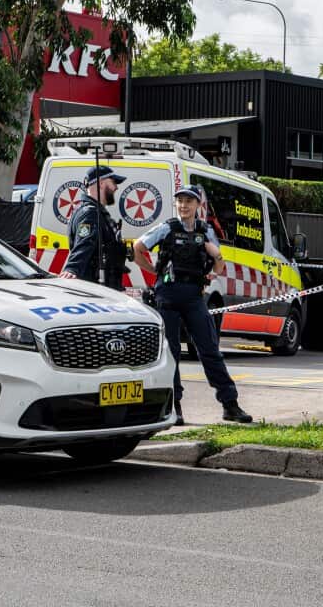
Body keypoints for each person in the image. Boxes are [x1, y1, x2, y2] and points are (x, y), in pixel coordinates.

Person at [134, 185, 253, 425]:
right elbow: (138, 248)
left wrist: (214, 260)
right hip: (167, 295)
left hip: (194, 296)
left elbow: (219, 265)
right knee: (171, 353)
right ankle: (174, 407)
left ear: (198, 205)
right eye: (180, 201)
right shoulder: (167, 227)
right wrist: (153, 271)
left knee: (210, 349)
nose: (184, 205)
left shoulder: (205, 230)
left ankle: (230, 405)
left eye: (189, 201)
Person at [60, 165, 128, 290]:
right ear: (101, 183)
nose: (116, 187)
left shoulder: (96, 212)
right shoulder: (90, 213)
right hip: (95, 286)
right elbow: (85, 242)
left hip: (102, 284)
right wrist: (72, 268)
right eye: (113, 182)